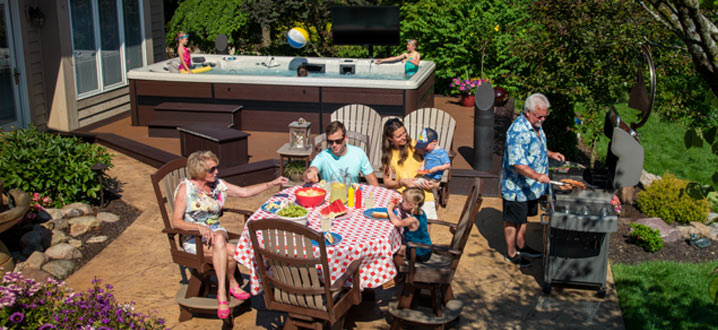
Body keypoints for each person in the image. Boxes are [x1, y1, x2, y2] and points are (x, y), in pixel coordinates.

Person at [171, 150, 288, 318]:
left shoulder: (217, 185)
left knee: (219, 237)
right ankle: (232, 285)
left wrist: (272, 183)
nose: (216, 172)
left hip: (217, 233)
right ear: (199, 171)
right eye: (212, 169)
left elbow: (244, 192)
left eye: (216, 168)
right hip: (195, 240)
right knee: (237, 252)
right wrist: (199, 229)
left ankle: (223, 292)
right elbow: (176, 222)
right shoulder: (185, 189)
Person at [501, 93, 565, 267]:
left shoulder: (535, 124)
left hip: (531, 187)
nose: (543, 119)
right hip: (516, 188)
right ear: (528, 111)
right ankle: (511, 253)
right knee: (512, 219)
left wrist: (550, 154)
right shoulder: (517, 132)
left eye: (545, 115)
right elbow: (517, 163)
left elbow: (536, 147)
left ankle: (522, 245)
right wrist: (537, 176)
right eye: (539, 115)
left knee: (523, 218)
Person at [381, 118, 439, 219]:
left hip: (423, 195)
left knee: (424, 232)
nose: (404, 137)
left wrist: (431, 180)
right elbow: (387, 182)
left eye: (404, 133)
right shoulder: (388, 155)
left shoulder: (414, 144)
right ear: (390, 138)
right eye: (399, 136)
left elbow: (435, 155)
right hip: (404, 200)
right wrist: (402, 182)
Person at [302, 121, 379, 186]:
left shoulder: (359, 153)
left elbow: (372, 181)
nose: (334, 145)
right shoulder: (323, 156)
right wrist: (310, 174)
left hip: (351, 196)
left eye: (338, 141)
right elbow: (311, 170)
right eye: (330, 142)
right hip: (330, 197)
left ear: (345, 138)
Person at [387, 187, 432, 262]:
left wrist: (389, 209)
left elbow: (397, 223)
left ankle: (398, 270)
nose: (401, 202)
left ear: (411, 205)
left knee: (392, 249)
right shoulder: (421, 211)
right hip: (426, 250)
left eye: (403, 201)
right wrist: (400, 204)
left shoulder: (412, 220)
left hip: (418, 253)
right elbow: (406, 210)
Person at [414, 127, 451, 197]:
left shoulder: (442, 153)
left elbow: (448, 165)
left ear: (434, 142)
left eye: (425, 146)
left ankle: (432, 199)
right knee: (416, 183)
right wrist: (422, 167)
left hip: (435, 177)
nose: (423, 148)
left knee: (427, 188)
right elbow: (425, 160)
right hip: (426, 175)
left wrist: (437, 168)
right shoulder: (427, 151)